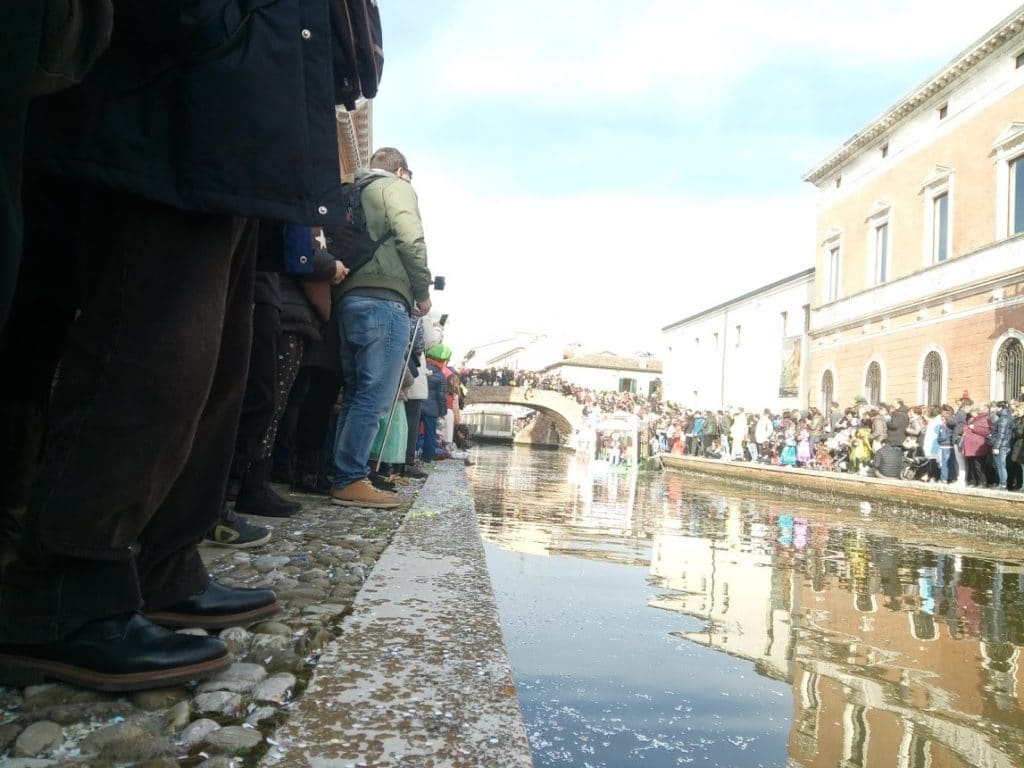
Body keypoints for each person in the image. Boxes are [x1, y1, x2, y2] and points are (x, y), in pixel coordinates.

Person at [0, 2, 363, 692]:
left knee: (215, 353)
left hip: (237, 89)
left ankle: (162, 560)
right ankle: (68, 582)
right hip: (185, 83)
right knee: (155, 336)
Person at [329, 147, 433, 509]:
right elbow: (410, 238)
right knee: (376, 393)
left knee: (357, 391)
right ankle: (350, 478)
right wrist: (422, 291)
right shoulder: (395, 187)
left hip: (350, 296)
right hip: (385, 295)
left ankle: (342, 472)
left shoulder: (354, 189)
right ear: (402, 171)